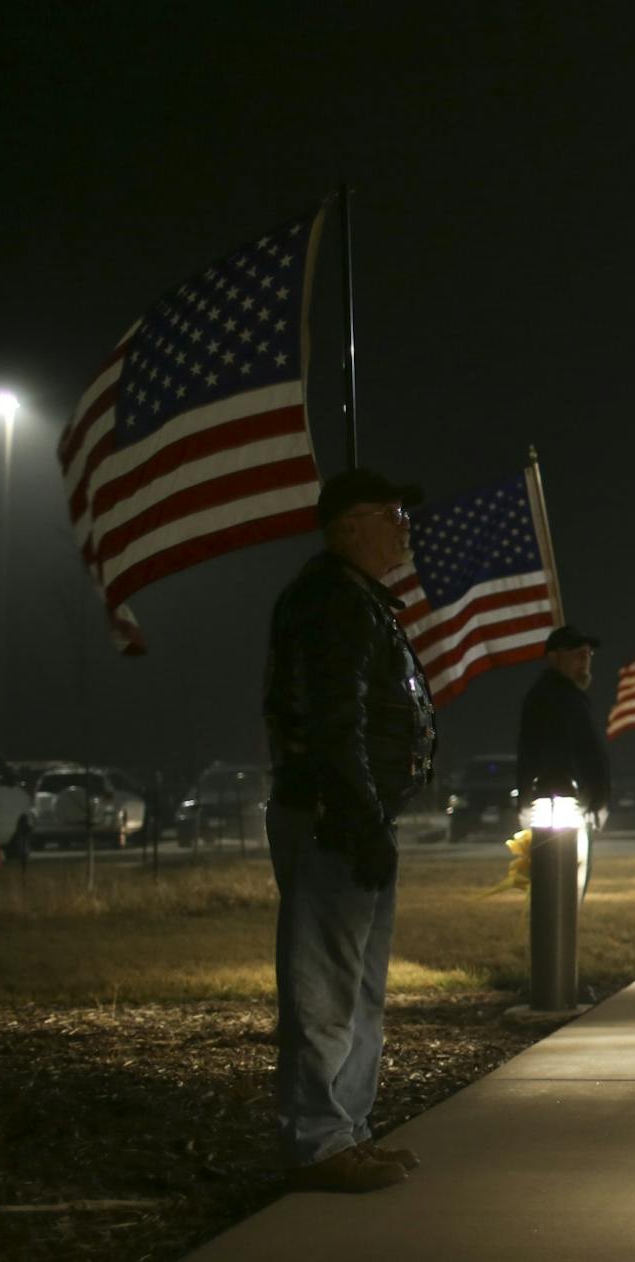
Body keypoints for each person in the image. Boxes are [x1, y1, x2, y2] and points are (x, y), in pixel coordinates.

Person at [262, 469, 437, 1193]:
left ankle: (348, 1130)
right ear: (349, 527)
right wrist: (359, 815)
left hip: (360, 815)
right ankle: (317, 1139)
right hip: (333, 817)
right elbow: (335, 723)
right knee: (325, 986)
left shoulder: (360, 601)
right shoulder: (331, 602)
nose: (405, 528)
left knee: (360, 988)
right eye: (393, 514)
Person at [516, 624, 612, 829]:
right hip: (561, 803)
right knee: (561, 858)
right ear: (554, 658)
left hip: (575, 803)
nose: (585, 659)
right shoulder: (555, 698)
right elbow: (577, 753)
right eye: (576, 653)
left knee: (571, 859)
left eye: (588, 653)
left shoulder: (568, 697)